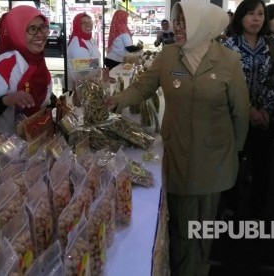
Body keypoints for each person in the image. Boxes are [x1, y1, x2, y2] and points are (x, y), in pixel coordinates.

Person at [107, 2, 249, 275]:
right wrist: (117, 100)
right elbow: (143, 87)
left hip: (214, 160)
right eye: (177, 20)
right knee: (181, 225)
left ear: (202, 24)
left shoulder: (229, 60)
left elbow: (240, 112)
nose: (179, 26)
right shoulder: (168, 55)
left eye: (186, 21)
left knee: (204, 228)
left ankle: (198, 268)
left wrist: (236, 151)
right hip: (178, 154)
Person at [221, 0, 274, 219]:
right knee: (233, 161)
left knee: (262, 163)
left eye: (260, 14)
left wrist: (265, 109)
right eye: (250, 13)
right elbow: (225, 83)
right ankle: (231, 205)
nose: (256, 18)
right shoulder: (228, 45)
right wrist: (247, 109)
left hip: (265, 117)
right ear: (241, 17)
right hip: (234, 116)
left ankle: (258, 209)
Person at [0, 6, 52, 137]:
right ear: (17, 31)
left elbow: (43, 96)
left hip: (25, 145)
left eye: (43, 27)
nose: (40, 34)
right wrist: (8, 99)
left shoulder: (38, 62)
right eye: (32, 29)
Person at [66, 13, 102, 91]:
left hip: (88, 84)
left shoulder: (89, 38)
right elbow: (84, 71)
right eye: (84, 23)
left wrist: (98, 69)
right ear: (77, 25)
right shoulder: (77, 44)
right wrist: (99, 70)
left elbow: (93, 61)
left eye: (90, 21)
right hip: (77, 89)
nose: (88, 24)